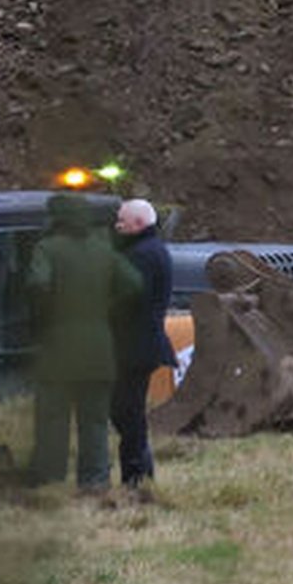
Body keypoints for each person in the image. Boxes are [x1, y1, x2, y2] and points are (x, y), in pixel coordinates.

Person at [27, 194, 141, 491]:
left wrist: (47, 313)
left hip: (58, 351)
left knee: (53, 420)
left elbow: (39, 283)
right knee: (95, 423)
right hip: (99, 350)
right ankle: (95, 482)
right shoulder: (103, 250)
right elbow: (134, 283)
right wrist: (106, 307)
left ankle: (50, 480)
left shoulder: (47, 249)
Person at [111, 199, 174, 488]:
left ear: (138, 224)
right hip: (142, 346)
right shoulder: (153, 251)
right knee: (128, 412)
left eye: (121, 222)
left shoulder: (141, 256)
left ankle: (136, 477)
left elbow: (127, 300)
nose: (116, 226)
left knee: (127, 413)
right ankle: (140, 473)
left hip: (134, 348)